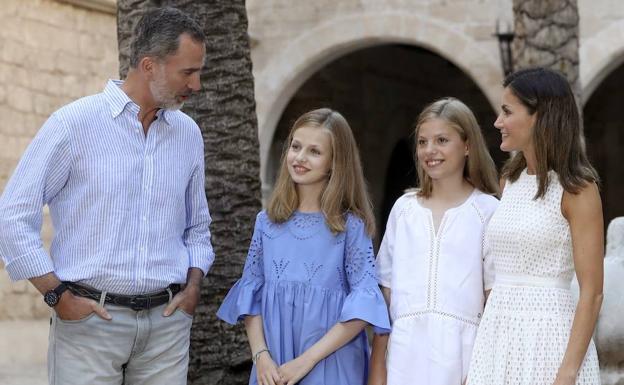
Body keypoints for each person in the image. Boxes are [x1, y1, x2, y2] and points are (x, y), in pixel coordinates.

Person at [0, 7, 214, 385]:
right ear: (149, 66)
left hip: (167, 328)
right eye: (188, 72)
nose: (196, 85)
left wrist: (193, 287)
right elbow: (13, 215)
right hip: (88, 328)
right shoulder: (73, 124)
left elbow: (198, 225)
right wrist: (57, 296)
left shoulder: (188, 134)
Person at [217, 108, 390, 385]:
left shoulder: (351, 228)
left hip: (331, 362)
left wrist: (306, 361)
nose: (300, 157)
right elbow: (251, 296)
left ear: (335, 162)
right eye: (296, 147)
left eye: (314, 151)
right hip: (272, 366)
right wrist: (261, 356)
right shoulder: (266, 223)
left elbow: (364, 307)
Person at [467, 67, 603, 385]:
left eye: (507, 112)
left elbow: (593, 292)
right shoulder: (509, 181)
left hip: (551, 337)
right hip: (499, 335)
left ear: (539, 116)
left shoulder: (578, 189)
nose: (498, 122)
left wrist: (567, 372)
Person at [367, 98, 500, 385]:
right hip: (403, 357)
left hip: (465, 360)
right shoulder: (404, 210)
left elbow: (494, 303)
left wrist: (479, 371)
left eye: (442, 140)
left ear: (467, 145)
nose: (430, 151)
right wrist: (378, 369)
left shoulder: (488, 211)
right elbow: (385, 299)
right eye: (423, 142)